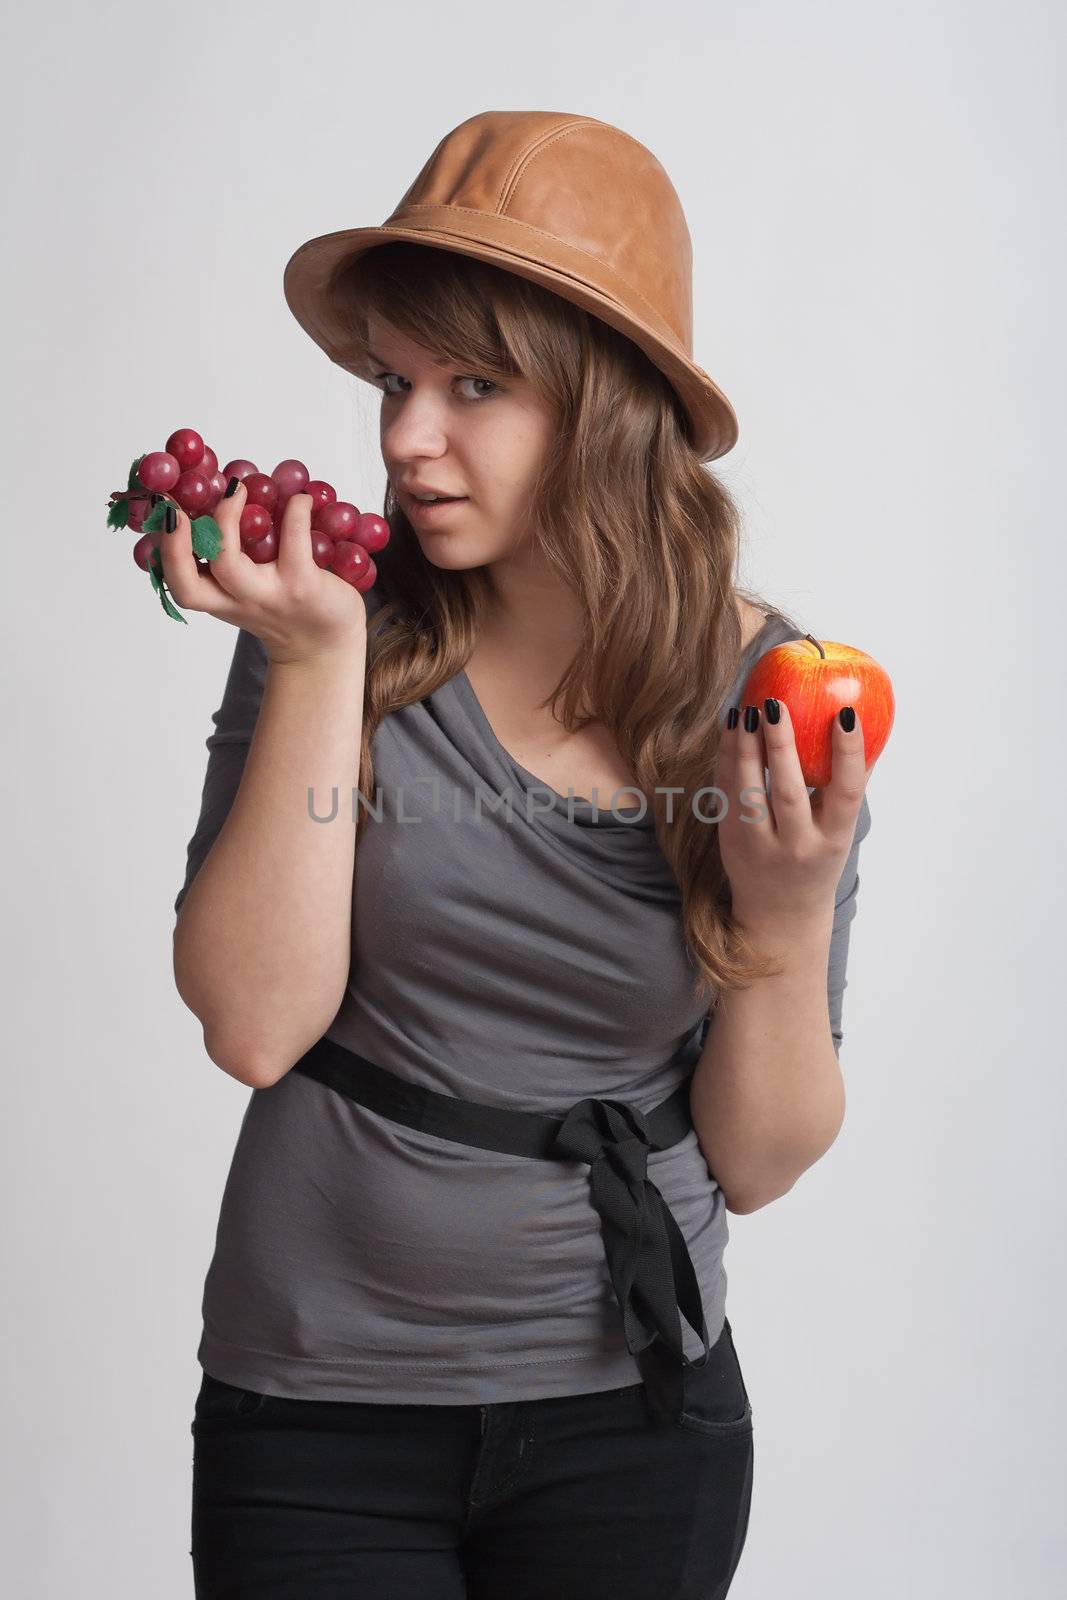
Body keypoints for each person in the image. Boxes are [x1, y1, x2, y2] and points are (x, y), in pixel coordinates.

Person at [170, 111, 873, 1599]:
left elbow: (756, 1159)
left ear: (606, 404)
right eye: (395, 382)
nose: (407, 438)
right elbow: (253, 1023)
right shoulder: (335, 632)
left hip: (640, 1417)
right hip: (318, 1409)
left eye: (474, 386)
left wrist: (790, 910)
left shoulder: (771, 693)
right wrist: (311, 668)